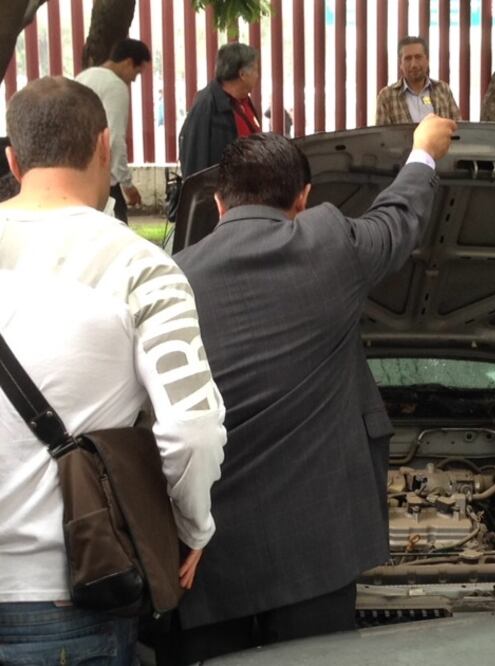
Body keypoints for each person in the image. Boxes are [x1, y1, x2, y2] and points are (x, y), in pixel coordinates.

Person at [169, 115, 456, 661]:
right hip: (316, 554)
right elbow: (399, 219)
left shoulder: (171, 278)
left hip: (206, 560)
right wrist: (423, 151)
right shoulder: (331, 243)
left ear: (220, 205)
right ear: (303, 198)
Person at [0, 77, 225, 664]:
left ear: (13, 158)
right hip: (68, 604)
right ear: (105, 145)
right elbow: (192, 431)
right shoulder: (142, 269)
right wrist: (192, 530)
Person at [75, 38, 150, 223]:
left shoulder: (84, 76)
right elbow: (114, 138)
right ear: (128, 62)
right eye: (137, 72)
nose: (134, 79)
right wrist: (127, 183)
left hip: (77, 171)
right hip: (103, 178)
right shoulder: (116, 86)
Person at [179, 43, 261, 176]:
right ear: (242, 74)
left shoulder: (245, 101)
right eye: (256, 70)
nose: (257, 76)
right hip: (224, 192)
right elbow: (194, 162)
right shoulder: (206, 106)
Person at [376, 36, 461, 125]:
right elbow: (382, 137)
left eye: (418, 57)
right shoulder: (386, 97)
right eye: (408, 58)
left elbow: (459, 129)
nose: (414, 65)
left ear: (427, 60)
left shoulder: (443, 90)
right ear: (400, 64)